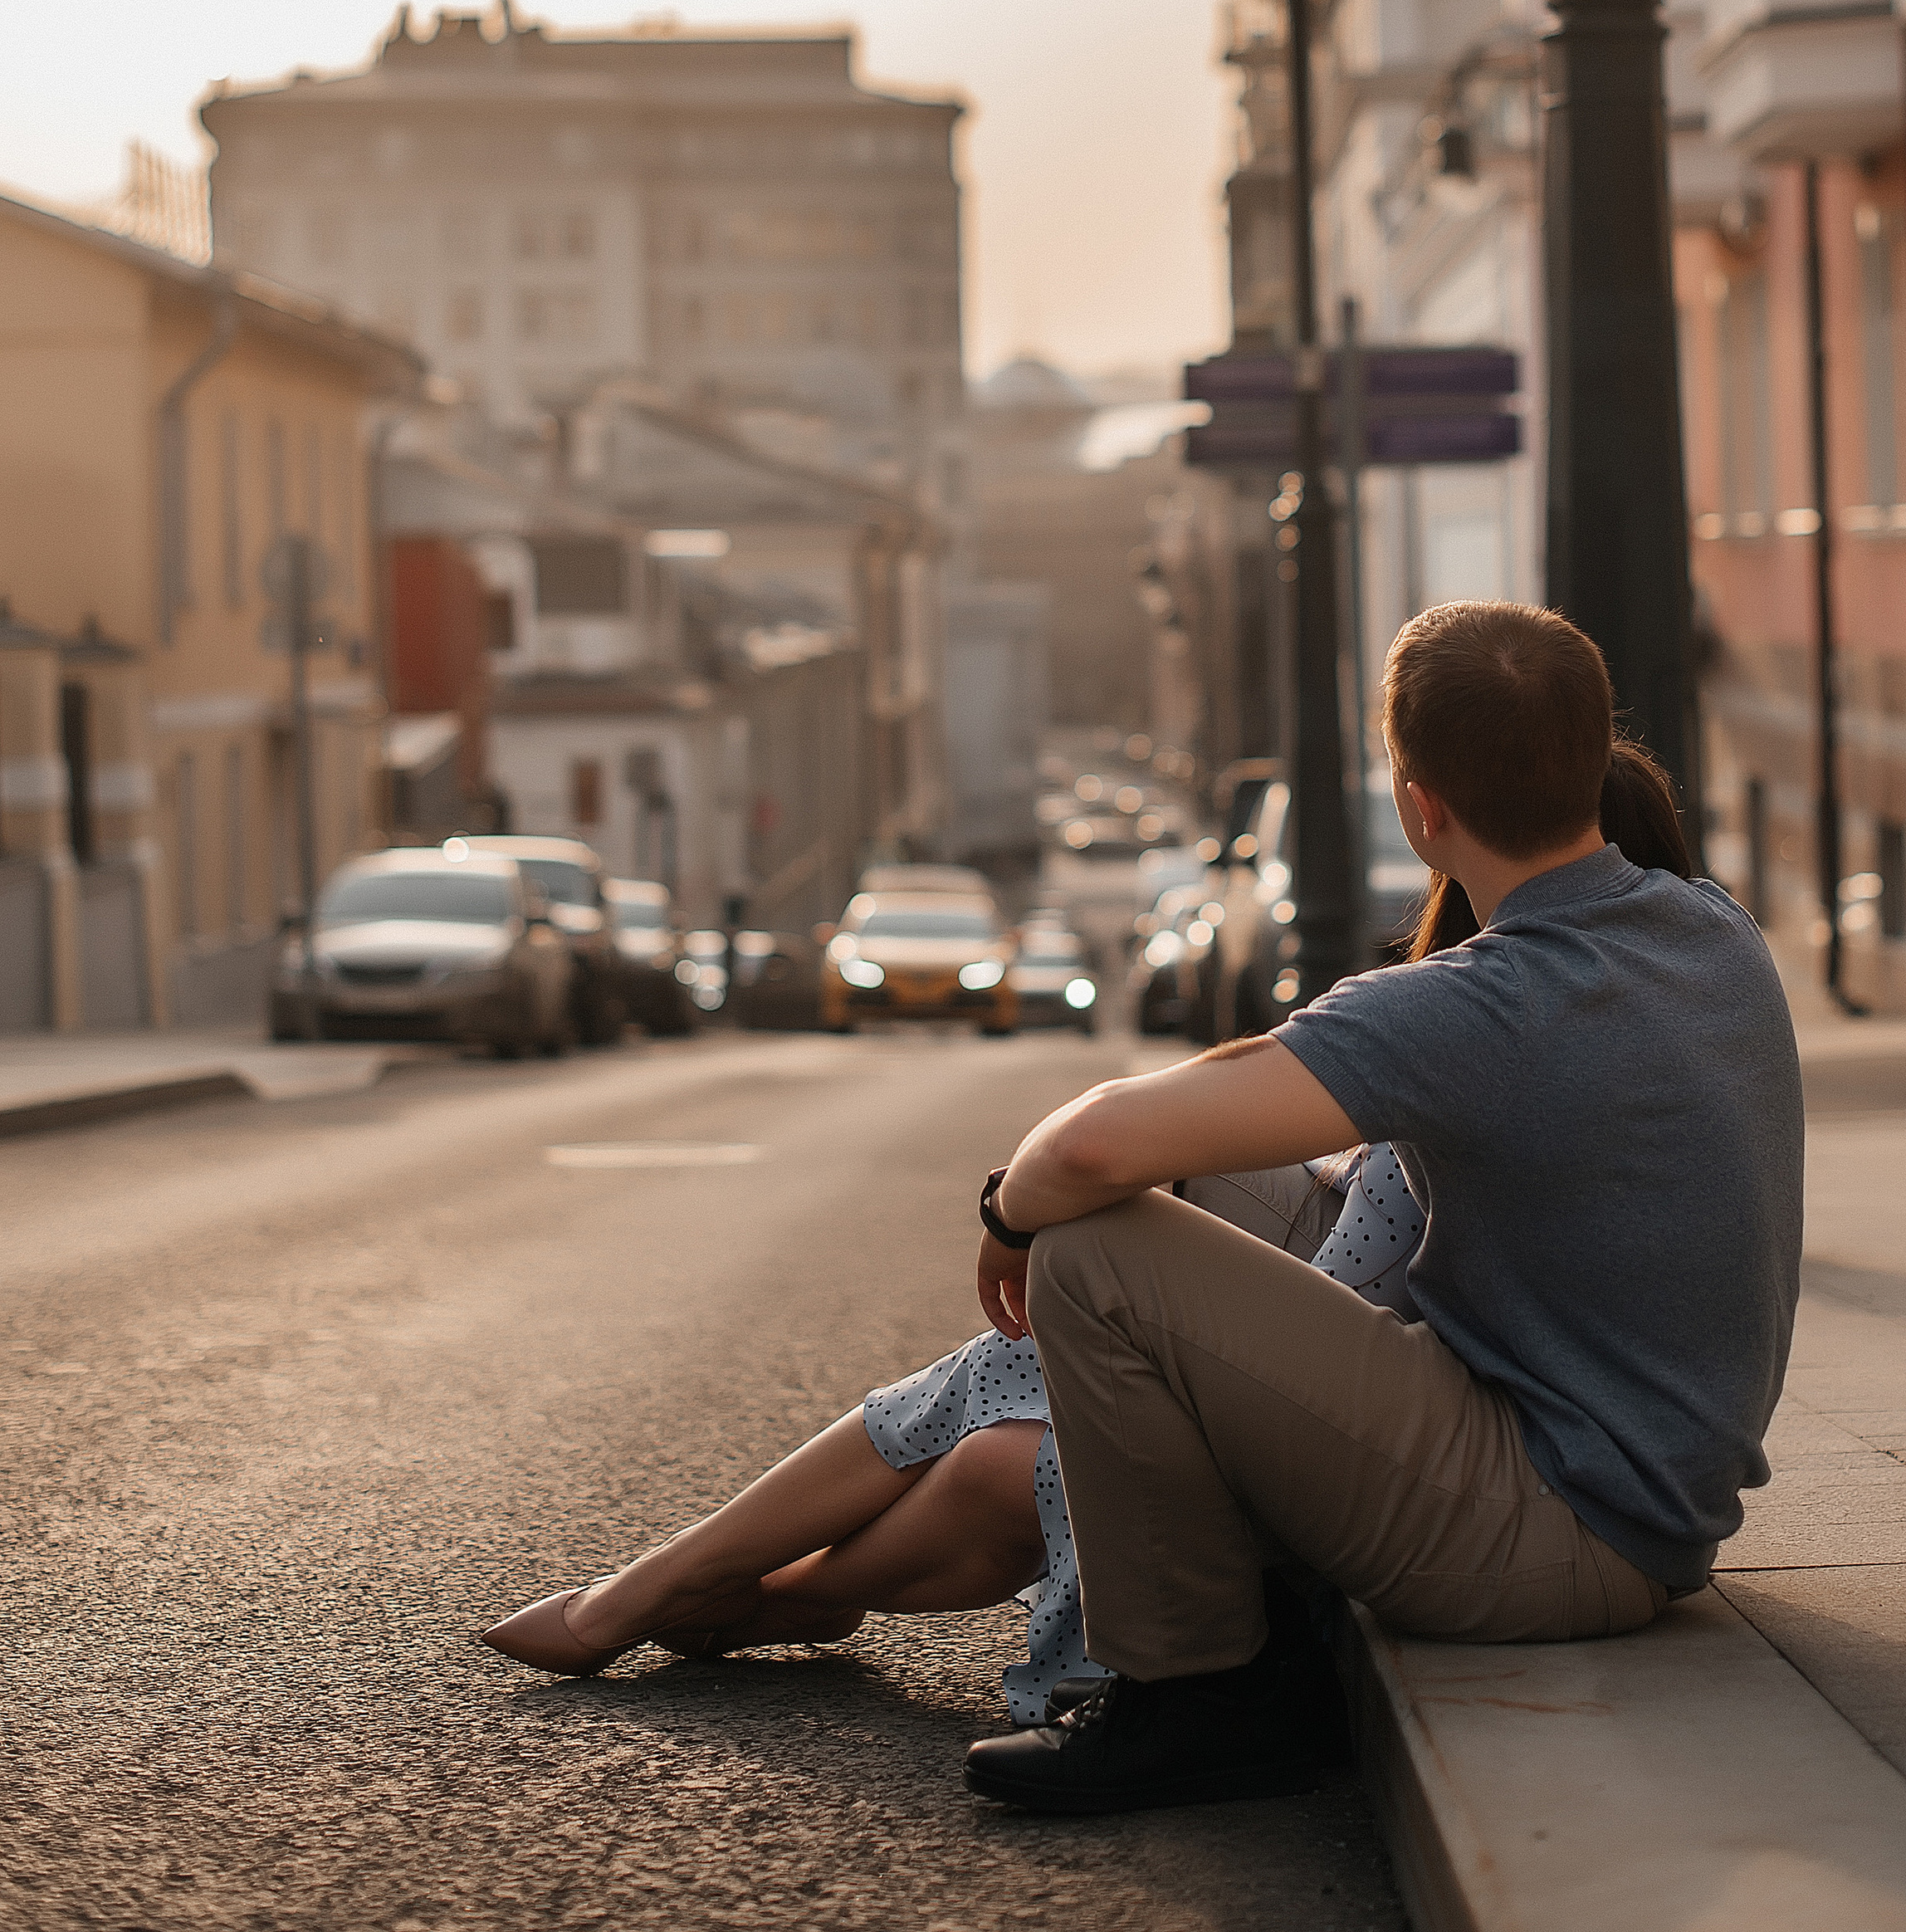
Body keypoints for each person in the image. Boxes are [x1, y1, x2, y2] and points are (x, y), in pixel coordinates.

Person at [484, 609, 1799, 1822]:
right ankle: (688, 1591)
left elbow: (1100, 1138)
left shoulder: (1487, 1002)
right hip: (1624, 1497)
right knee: (1187, 1193)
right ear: (1590, 762)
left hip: (1554, 1535)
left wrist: (1009, 1211)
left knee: (1097, 1242)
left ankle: (1198, 1692)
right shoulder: (1706, 930)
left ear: (1418, 807)